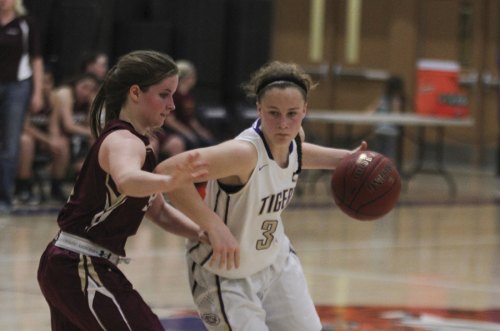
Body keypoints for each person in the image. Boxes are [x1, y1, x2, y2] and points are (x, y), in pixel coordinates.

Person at [155, 61, 367, 331]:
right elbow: (169, 172)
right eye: (273, 113)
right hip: (225, 273)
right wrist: (212, 224)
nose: (283, 123)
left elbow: (297, 151)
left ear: (305, 111)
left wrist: (345, 159)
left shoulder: (292, 137)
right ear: (258, 109)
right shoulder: (243, 154)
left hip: (275, 262)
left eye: (292, 114)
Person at [37, 50, 239, 330]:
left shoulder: (138, 142)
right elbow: (127, 179)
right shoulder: (123, 140)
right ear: (135, 93)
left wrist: (202, 233)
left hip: (72, 265)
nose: (172, 105)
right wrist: (171, 182)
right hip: (80, 265)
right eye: (164, 94)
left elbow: (159, 212)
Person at [0, 0, 44, 213]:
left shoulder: (25, 23)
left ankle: (5, 198)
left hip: (17, 86)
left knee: (10, 144)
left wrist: (37, 92)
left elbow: (36, 59)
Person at [15, 68, 69, 204]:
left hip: (41, 139)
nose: (46, 86)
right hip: (22, 138)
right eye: (42, 82)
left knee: (62, 142)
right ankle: (23, 187)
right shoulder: (23, 98)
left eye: (48, 82)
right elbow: (25, 127)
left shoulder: (54, 99)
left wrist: (54, 140)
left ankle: (56, 186)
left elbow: (53, 125)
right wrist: (48, 140)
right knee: (26, 141)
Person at [160, 59, 216, 155]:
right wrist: (187, 133)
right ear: (187, 77)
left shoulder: (189, 96)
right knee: (193, 142)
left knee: (209, 142)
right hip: (173, 131)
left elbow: (191, 119)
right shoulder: (173, 95)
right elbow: (170, 120)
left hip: (186, 130)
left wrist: (201, 131)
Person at [52, 72, 99, 181]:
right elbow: (69, 126)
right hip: (54, 135)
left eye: (91, 89)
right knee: (63, 144)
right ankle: (56, 185)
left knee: (95, 141)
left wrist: (93, 102)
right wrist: (93, 132)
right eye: (84, 87)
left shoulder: (89, 99)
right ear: (75, 84)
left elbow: (92, 124)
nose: (86, 92)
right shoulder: (65, 93)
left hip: (75, 139)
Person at [366, 75, 406, 163]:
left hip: (379, 129)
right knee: (389, 155)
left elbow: (369, 111)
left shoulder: (382, 99)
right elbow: (397, 115)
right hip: (391, 131)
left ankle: (376, 172)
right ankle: (388, 173)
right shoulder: (396, 100)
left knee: (377, 155)